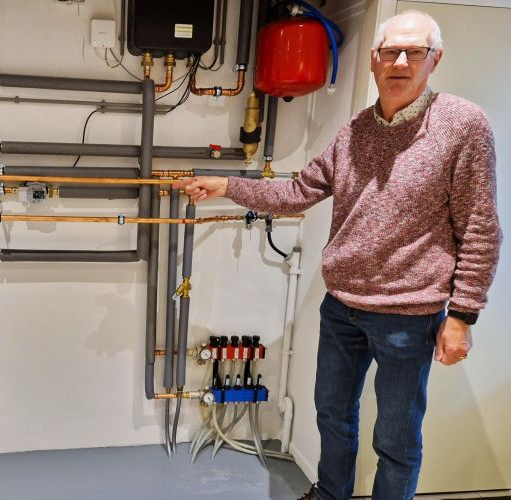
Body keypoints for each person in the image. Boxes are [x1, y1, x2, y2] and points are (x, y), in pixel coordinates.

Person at [176, 10, 501, 500]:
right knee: (332, 416)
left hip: (409, 316)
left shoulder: (462, 125)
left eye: (414, 52)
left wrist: (462, 316)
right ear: (373, 60)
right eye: (390, 51)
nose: (400, 62)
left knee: (396, 439)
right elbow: (299, 192)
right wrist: (227, 186)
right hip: (342, 308)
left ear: (434, 60)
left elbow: (480, 228)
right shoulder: (356, 131)